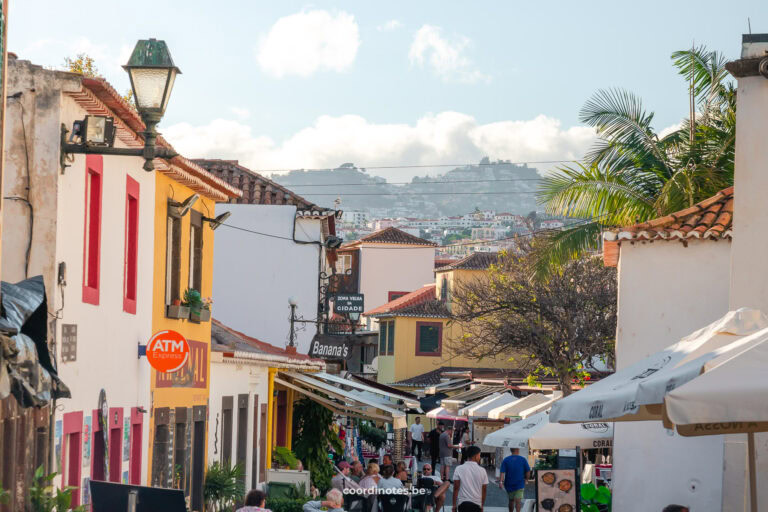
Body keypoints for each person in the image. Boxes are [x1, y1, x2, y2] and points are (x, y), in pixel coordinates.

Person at [452, 446, 488, 512]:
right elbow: (484, 489)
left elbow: (456, 488)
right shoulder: (482, 470)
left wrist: (454, 505)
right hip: (477, 503)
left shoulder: (459, 468)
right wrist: (482, 505)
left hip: (462, 503)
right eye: (479, 455)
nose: (480, 457)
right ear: (476, 456)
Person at [499, 448, 531, 512]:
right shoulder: (523, 459)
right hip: (520, 483)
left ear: (511, 450)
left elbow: (502, 472)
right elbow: (528, 471)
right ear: (517, 450)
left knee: (511, 500)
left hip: (509, 484)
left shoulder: (506, 460)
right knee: (518, 501)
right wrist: (526, 479)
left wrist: (500, 482)